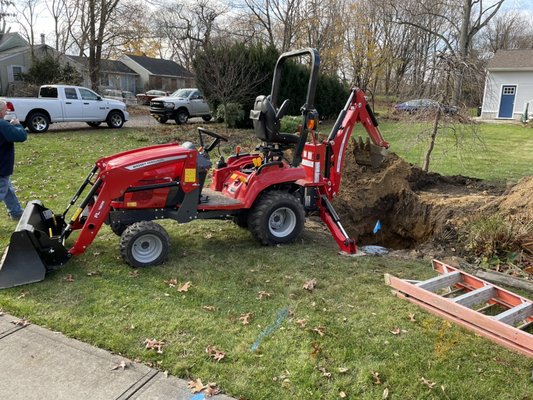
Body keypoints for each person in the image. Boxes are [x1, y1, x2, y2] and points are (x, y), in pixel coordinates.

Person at [0, 100, 27, 221]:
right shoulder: (2, 125)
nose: (7, 111)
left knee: (8, 189)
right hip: (2, 167)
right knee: (2, 190)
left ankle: (16, 212)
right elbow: (21, 136)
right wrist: (17, 125)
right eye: (6, 109)